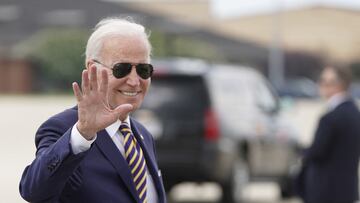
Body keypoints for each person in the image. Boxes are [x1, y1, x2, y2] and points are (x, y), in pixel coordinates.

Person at [19, 17, 166, 203]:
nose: (134, 81)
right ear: (92, 68)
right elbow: (34, 191)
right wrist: (83, 133)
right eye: (122, 69)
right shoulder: (65, 129)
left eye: (143, 70)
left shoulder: (143, 134)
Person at [300, 65, 360, 203]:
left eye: (324, 81)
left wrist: (302, 152)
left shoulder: (331, 118)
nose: (320, 85)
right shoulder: (355, 113)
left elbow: (317, 151)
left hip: (325, 190)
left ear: (337, 85)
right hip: (347, 190)